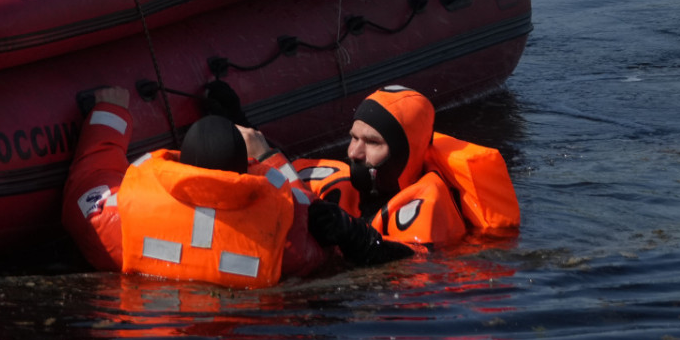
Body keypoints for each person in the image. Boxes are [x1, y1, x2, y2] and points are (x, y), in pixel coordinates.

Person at [62, 87, 327, 288]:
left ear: (179, 162)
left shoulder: (117, 227)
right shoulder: (287, 245)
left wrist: (111, 111)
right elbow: (314, 214)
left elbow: (90, 179)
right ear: (247, 171)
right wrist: (270, 157)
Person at [294, 86, 521, 266]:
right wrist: (267, 157)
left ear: (405, 153)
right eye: (354, 138)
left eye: (372, 142)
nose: (353, 153)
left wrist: (353, 236)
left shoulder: (431, 205)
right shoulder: (341, 184)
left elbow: (413, 263)